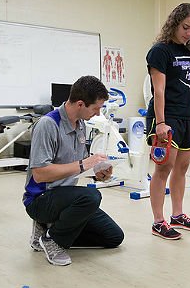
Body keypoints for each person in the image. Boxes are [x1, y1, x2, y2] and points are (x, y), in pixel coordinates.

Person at [22, 75, 124, 266]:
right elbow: (40, 173)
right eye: (95, 108)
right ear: (80, 104)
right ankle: (52, 239)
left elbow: (76, 168)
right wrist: (83, 164)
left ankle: (47, 230)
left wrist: (97, 172)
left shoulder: (81, 126)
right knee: (91, 197)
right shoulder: (47, 125)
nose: (98, 113)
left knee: (113, 237)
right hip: (41, 199)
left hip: (65, 199)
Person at [145, 3, 190, 240]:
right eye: (185, 27)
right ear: (174, 23)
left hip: (187, 117)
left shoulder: (187, 52)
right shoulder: (160, 51)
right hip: (167, 118)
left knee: (182, 168)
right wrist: (160, 124)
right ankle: (158, 221)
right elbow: (159, 91)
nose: (188, 33)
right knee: (163, 169)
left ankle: (177, 215)